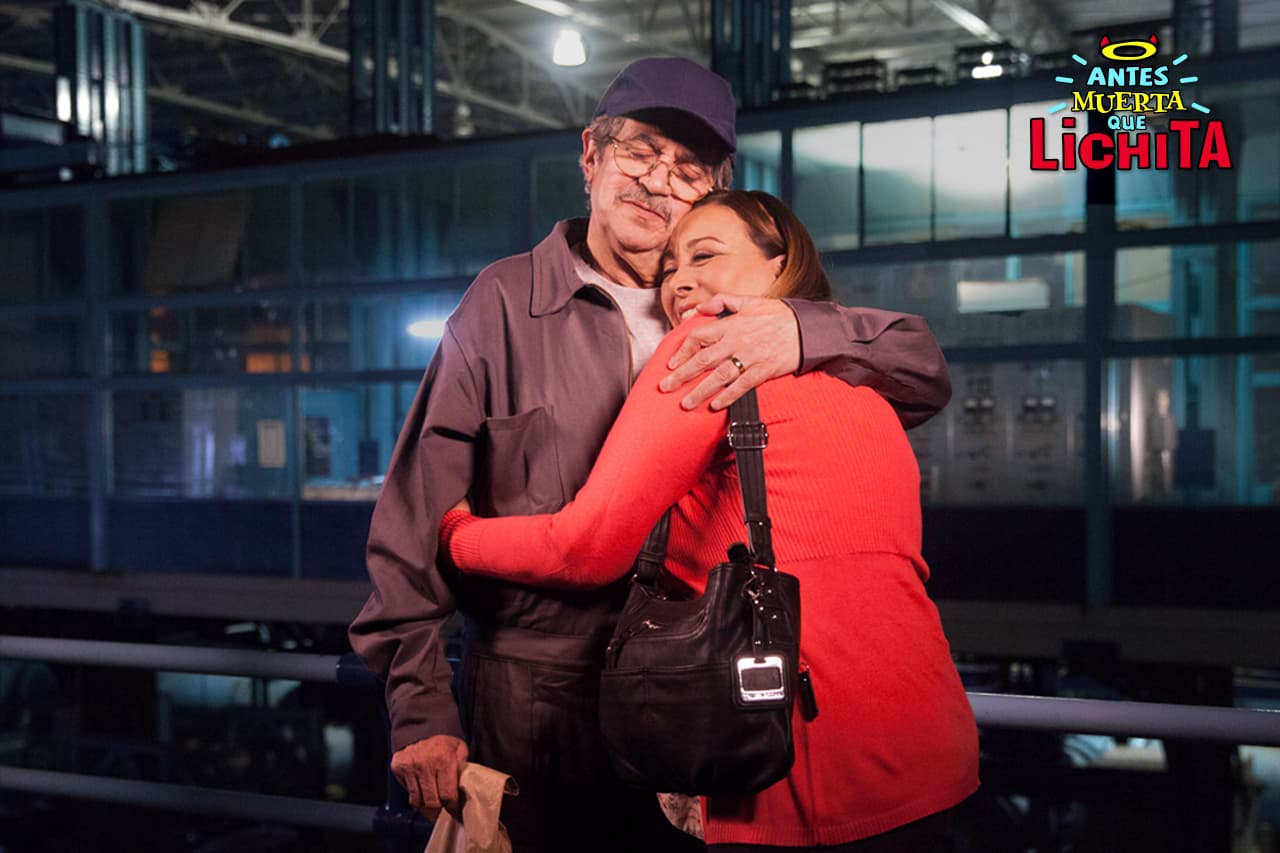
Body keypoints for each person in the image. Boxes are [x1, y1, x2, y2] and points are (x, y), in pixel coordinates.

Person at [348, 57, 953, 853]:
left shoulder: (737, 312)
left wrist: (799, 329)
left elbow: (921, 367)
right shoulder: (502, 305)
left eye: (688, 168)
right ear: (591, 156)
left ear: (714, 192)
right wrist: (421, 709)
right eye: (639, 152)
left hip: (699, 705)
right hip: (538, 713)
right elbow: (413, 522)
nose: (658, 181)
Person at [438, 190, 979, 851]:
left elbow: (588, 547)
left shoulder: (707, 345)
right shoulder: (869, 379)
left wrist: (456, 535)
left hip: (798, 763)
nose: (681, 281)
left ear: (779, 264)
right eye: (669, 268)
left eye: (705, 255)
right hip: (933, 748)